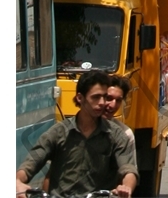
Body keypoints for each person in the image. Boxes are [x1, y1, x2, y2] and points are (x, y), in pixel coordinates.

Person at [17, 68, 139, 196]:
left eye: (104, 97)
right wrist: (18, 181)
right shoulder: (59, 132)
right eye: (96, 97)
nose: (102, 102)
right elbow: (32, 162)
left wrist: (126, 187)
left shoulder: (116, 135)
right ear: (80, 98)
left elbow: (128, 170)